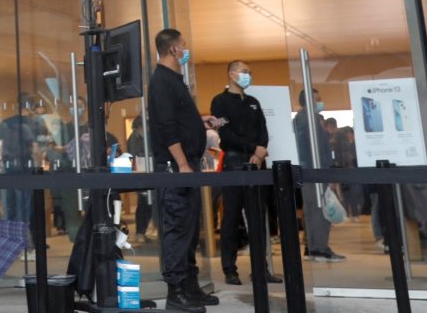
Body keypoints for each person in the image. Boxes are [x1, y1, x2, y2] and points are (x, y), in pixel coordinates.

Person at [147, 29, 218, 312]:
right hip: (176, 169)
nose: (186, 51)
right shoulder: (162, 81)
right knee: (177, 229)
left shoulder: (176, 81)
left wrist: (200, 121)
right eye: (183, 46)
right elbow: (166, 127)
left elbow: (179, 118)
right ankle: (176, 294)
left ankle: (191, 287)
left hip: (186, 166)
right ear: (173, 49)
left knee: (189, 229)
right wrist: (183, 165)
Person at [209, 61, 278, 287]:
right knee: (231, 218)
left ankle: (261, 269)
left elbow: (263, 130)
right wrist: (252, 148)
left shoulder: (253, 103)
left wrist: (259, 153)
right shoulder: (220, 102)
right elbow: (226, 135)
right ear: (232, 74)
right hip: (234, 162)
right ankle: (230, 269)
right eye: (245, 71)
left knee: (258, 218)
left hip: (257, 164)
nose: (249, 75)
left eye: (250, 72)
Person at [292, 89, 344, 263]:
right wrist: (327, 170)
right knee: (320, 209)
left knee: (312, 209)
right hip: (315, 171)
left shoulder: (300, 118)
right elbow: (318, 148)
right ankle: (319, 248)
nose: (320, 101)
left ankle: (312, 246)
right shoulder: (310, 119)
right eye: (318, 99)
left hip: (309, 170)